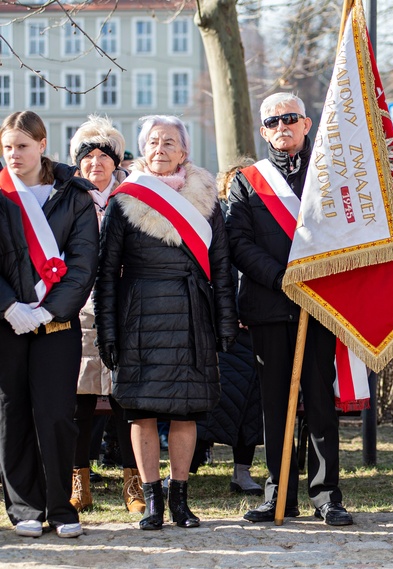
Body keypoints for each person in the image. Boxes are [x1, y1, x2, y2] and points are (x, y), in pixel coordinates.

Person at [94, 115, 238, 530]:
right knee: (139, 412)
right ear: (143, 149)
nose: (160, 149)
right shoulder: (126, 199)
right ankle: (152, 501)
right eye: (153, 142)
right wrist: (107, 330)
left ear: (185, 152)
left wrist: (225, 321)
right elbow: (107, 272)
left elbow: (222, 266)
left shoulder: (207, 198)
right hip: (138, 316)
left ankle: (180, 500)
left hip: (192, 314)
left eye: (170, 142)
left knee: (184, 411)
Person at [227, 92, 352, 526]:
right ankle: (278, 493)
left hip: (319, 304)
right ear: (263, 131)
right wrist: (283, 278)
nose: (282, 126)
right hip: (268, 303)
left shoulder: (329, 176)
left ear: (306, 124)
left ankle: (326, 494)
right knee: (276, 405)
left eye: (290, 118)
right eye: (273, 121)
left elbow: (346, 234)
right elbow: (238, 242)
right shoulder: (246, 181)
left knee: (319, 402)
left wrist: (311, 278)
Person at [0, 111, 99, 538]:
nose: (13, 155)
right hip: (6, 325)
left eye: (22, 146)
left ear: (42, 145)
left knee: (57, 413)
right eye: (6, 147)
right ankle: (24, 507)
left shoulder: (74, 194)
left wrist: (48, 310)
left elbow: (83, 263)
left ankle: (61, 506)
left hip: (56, 324)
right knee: (12, 413)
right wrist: (8, 306)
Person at [67, 115, 145, 515]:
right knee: (79, 399)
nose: (95, 162)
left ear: (117, 161)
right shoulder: (66, 197)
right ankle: (78, 478)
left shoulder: (133, 197)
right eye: (87, 155)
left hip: (124, 308)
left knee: (124, 398)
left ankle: (134, 481)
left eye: (104, 155)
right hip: (78, 309)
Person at [193, 161, 264, 496]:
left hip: (251, 325)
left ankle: (242, 470)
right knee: (206, 402)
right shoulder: (210, 220)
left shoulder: (261, 222)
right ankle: (185, 470)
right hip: (218, 327)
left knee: (249, 404)